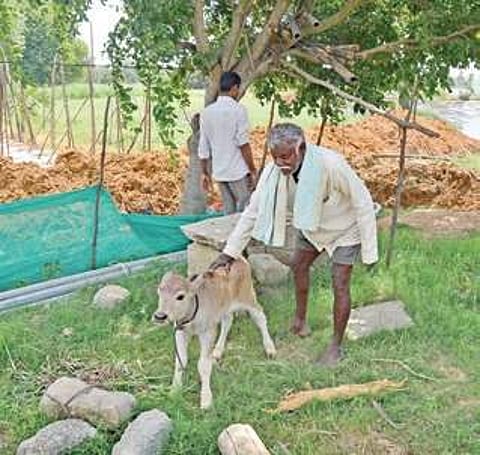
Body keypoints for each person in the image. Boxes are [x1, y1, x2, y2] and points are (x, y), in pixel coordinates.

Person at [210, 123, 378, 366]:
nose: (281, 163)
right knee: (298, 266)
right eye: (275, 157)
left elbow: (362, 202)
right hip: (311, 225)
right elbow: (252, 213)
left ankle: (335, 346)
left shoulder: (331, 164)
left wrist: (370, 253)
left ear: (301, 147)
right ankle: (300, 322)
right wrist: (229, 253)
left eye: (286, 156)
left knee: (339, 282)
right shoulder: (272, 174)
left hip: (345, 228)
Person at [198, 71, 257, 214]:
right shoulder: (239, 110)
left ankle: (229, 235)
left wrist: (204, 173)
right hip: (237, 171)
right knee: (246, 207)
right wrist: (252, 169)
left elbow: (203, 148)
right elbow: (243, 143)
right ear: (235, 88)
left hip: (219, 171)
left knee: (228, 209)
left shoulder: (207, 112)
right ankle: (240, 235)